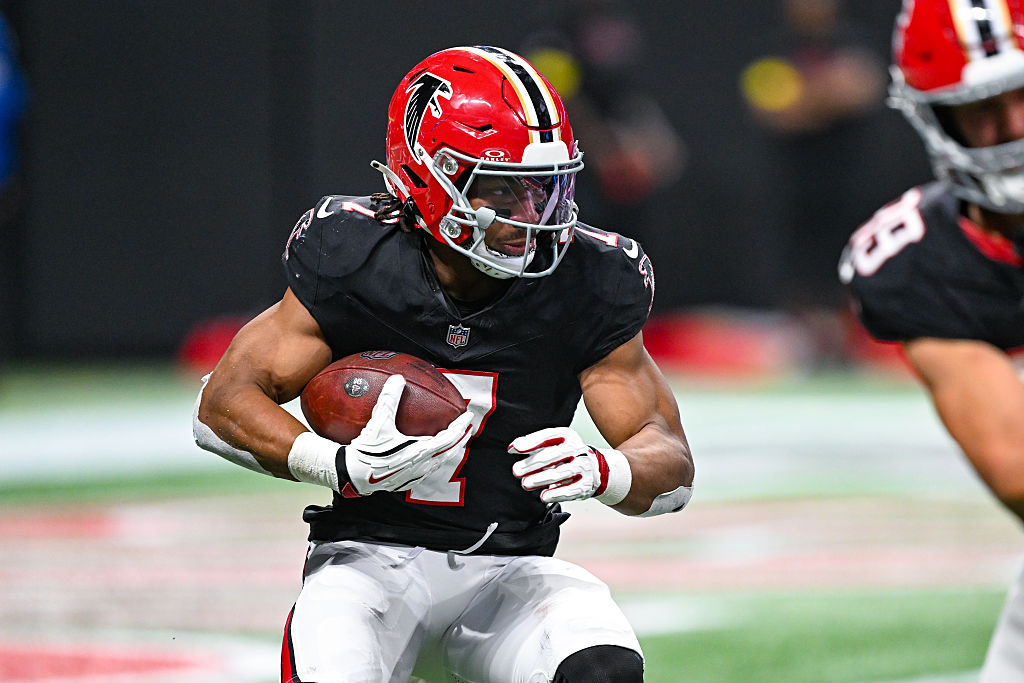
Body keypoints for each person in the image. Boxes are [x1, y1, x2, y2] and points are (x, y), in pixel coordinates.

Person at [193, 45, 694, 683]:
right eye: (501, 189)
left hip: (509, 570)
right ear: (428, 177)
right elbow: (222, 406)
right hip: (366, 563)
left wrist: (609, 468)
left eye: (543, 188)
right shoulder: (357, 256)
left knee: (601, 669)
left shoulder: (590, 281)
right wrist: (335, 463)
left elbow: (671, 461)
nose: (530, 217)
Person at [839, 1, 1024, 679]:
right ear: (933, 116)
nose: (1013, 130)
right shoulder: (923, 259)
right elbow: (1016, 465)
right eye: (980, 109)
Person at [741, 0, 886, 367]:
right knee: (798, 265)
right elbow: (775, 112)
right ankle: (806, 344)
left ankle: (848, 344)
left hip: (846, 177)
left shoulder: (854, 39)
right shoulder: (771, 45)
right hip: (794, 179)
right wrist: (828, 95)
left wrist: (805, 97)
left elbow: (860, 91)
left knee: (851, 261)